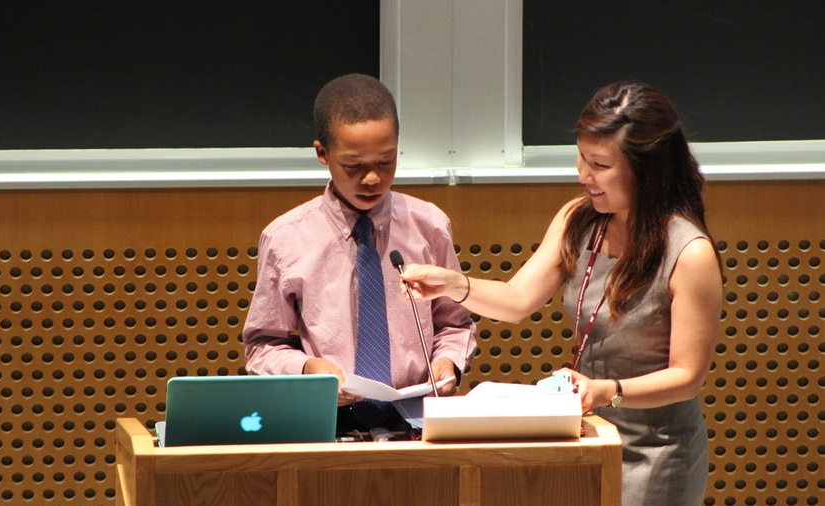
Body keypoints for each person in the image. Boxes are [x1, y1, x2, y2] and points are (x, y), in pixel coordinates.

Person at [399, 81, 722, 505]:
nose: (584, 175)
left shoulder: (689, 252)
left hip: (655, 453)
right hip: (585, 435)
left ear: (647, 169)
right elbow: (517, 300)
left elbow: (687, 376)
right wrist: (453, 285)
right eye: (582, 157)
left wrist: (607, 390)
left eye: (600, 165)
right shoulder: (580, 219)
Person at [242, 73, 477, 432]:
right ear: (322, 153)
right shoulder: (285, 239)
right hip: (328, 421)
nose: (372, 179)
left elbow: (454, 324)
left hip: (418, 421)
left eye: (386, 161)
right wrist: (307, 369)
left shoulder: (429, 226)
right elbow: (262, 345)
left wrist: (448, 363)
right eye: (354, 166)